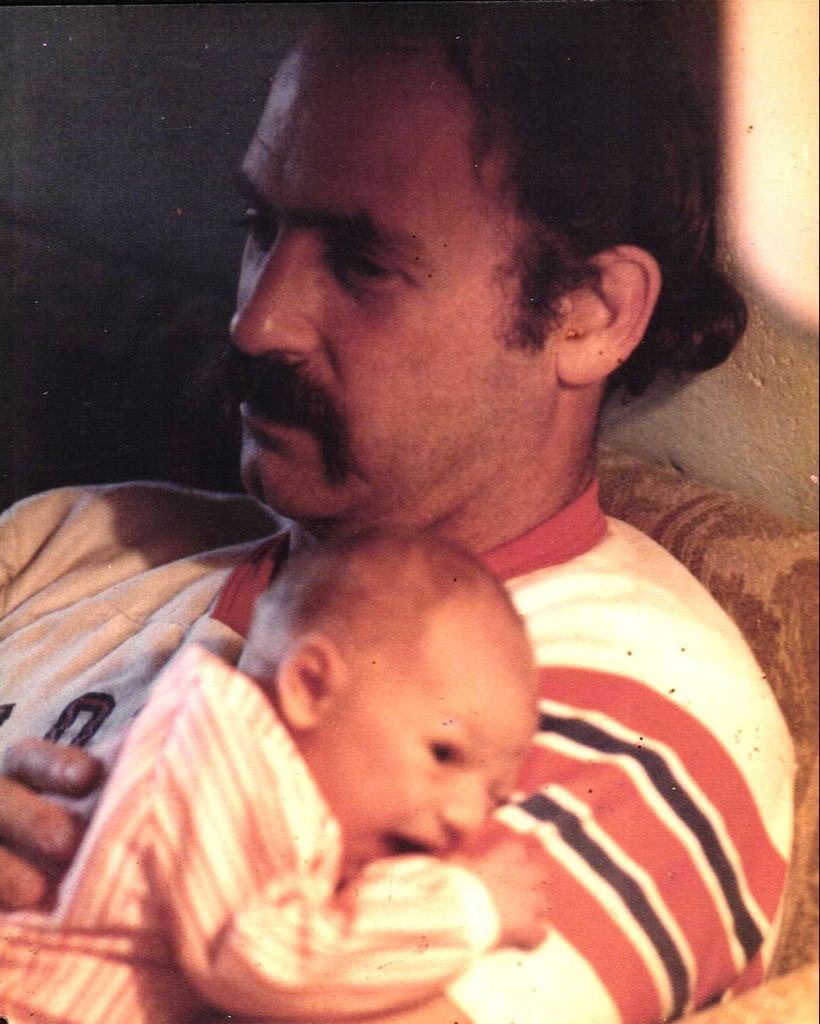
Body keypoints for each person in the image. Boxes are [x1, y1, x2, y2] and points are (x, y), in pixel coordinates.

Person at [0, 6, 794, 1023]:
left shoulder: (637, 719)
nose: (256, 320)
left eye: (363, 262)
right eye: (261, 228)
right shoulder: (68, 541)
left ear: (589, 313)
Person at [0, 534, 547, 1023]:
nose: (467, 818)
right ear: (309, 687)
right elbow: (261, 961)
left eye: (494, 797)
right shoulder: (228, 758)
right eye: (443, 753)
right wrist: (467, 908)